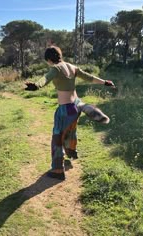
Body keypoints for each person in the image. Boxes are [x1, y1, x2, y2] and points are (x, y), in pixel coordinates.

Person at [25, 46, 115, 180]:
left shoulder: (55, 68)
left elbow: (45, 78)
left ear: (49, 59)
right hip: (76, 104)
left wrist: (36, 86)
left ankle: (57, 169)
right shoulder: (71, 66)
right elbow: (89, 77)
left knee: (57, 138)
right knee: (71, 130)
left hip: (66, 109)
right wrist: (105, 82)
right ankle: (72, 151)